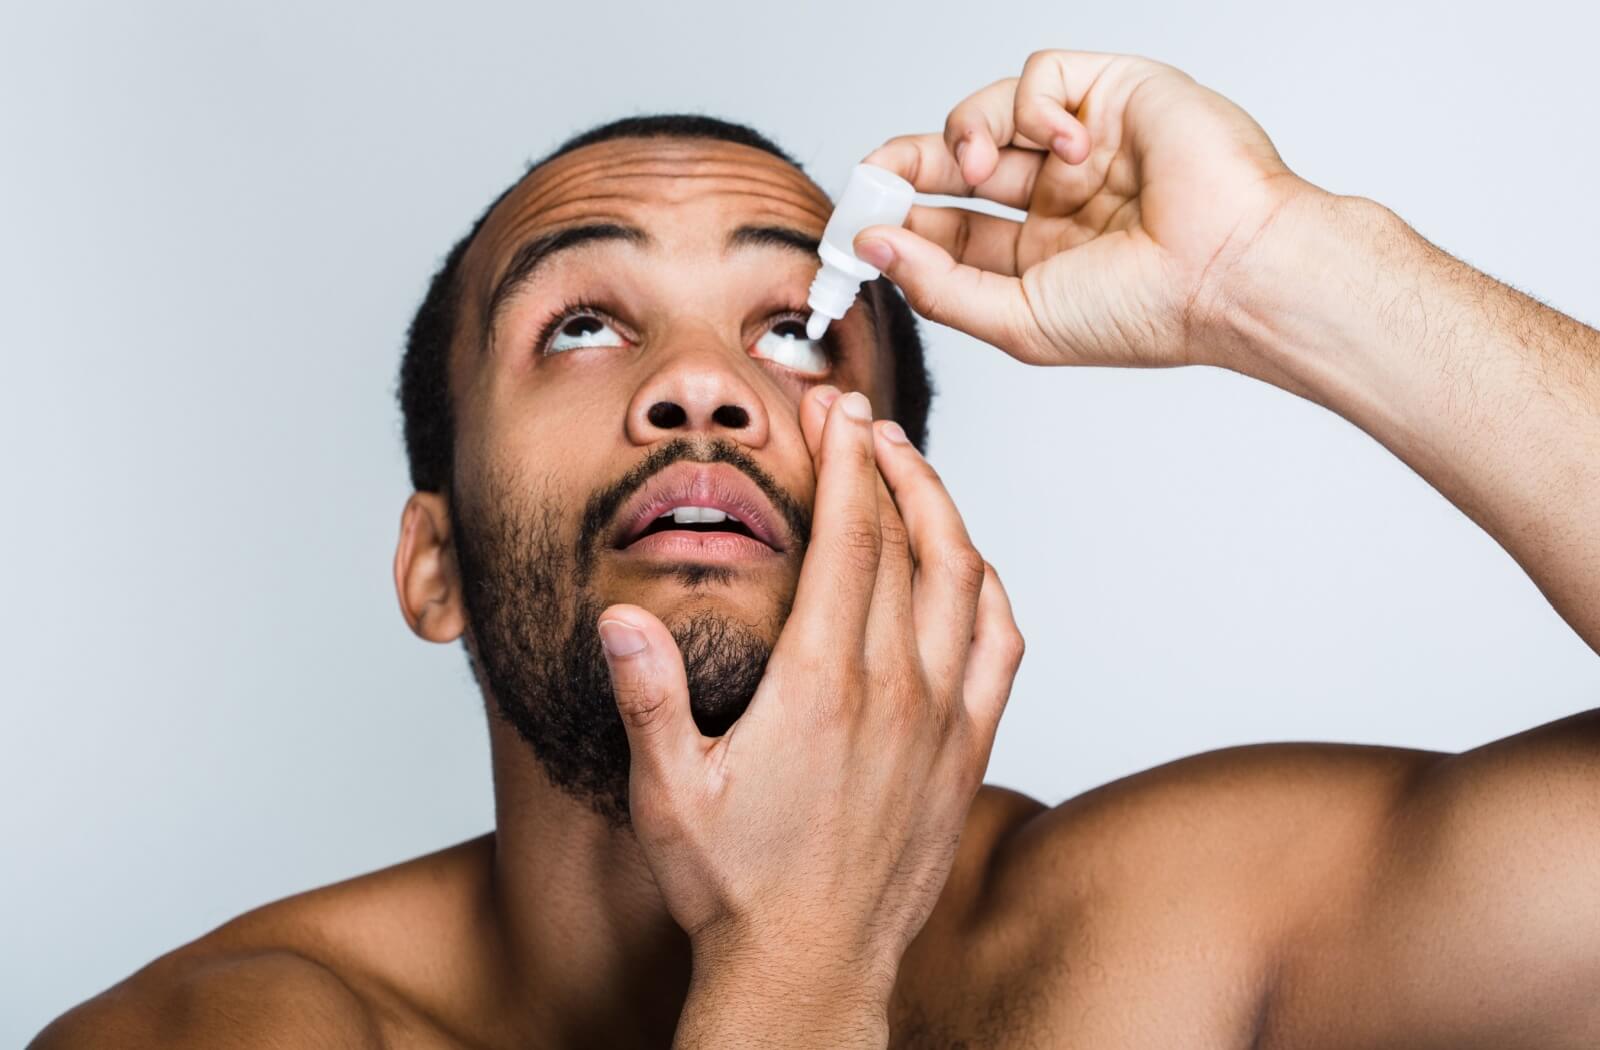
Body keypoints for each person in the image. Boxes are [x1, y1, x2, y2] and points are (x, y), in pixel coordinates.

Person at [33, 49, 1599, 1049]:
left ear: (907, 511)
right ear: (430, 566)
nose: (703, 380)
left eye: (795, 329)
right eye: (580, 323)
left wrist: (1284, 264)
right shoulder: (234, 1031)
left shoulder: (1157, 941)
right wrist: (799, 968)